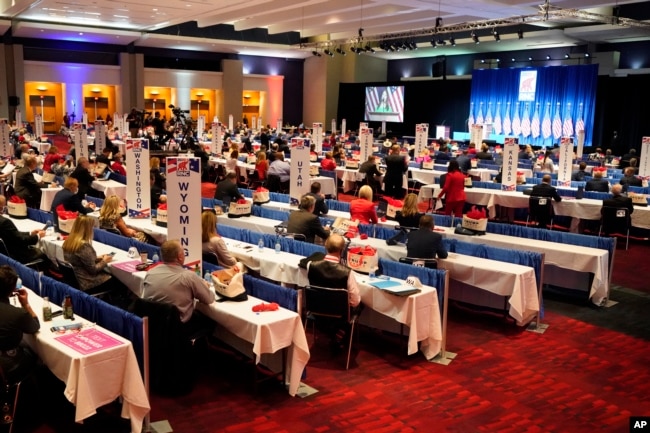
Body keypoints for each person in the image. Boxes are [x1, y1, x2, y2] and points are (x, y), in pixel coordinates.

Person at [143, 240, 215, 337]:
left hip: (153, 327)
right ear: (180, 257)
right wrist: (205, 287)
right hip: (178, 329)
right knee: (210, 322)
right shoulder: (188, 277)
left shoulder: (150, 273)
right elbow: (209, 299)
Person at [62, 215, 128, 295]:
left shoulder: (69, 242)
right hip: (89, 282)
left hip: (78, 280)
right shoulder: (83, 246)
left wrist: (96, 258)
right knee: (121, 281)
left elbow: (80, 261)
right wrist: (104, 261)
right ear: (87, 230)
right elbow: (93, 270)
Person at [0, 265, 40, 384]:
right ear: (13, 290)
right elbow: (34, 327)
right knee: (36, 355)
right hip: (7, 365)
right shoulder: (17, 314)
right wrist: (26, 305)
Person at [307, 233, 360, 308]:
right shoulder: (347, 272)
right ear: (342, 250)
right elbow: (355, 301)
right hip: (340, 314)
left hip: (315, 310)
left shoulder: (310, 265)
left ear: (326, 246)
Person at [0, 196, 47, 264]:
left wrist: (30, 233)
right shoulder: (5, 222)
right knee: (44, 255)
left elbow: (13, 234)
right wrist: (38, 236)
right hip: (16, 255)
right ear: (1, 207)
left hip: (4, 254)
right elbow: (21, 240)